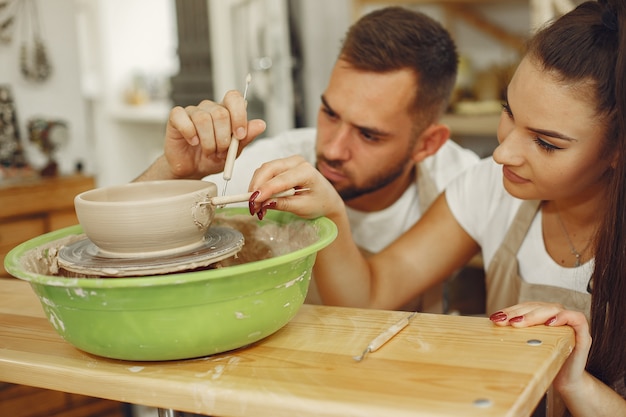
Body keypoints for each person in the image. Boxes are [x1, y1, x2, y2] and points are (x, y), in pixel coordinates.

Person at [246, 1, 626, 414]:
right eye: (508, 112)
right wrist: (331, 211)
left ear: (616, 151)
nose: (502, 153)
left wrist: (575, 384)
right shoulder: (489, 188)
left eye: (546, 143)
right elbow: (370, 296)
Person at [136, 7, 479, 311]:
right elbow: (116, 252)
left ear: (427, 144)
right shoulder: (275, 164)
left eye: (368, 135)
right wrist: (174, 172)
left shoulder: (461, 184)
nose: (332, 149)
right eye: (330, 113)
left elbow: (366, 302)